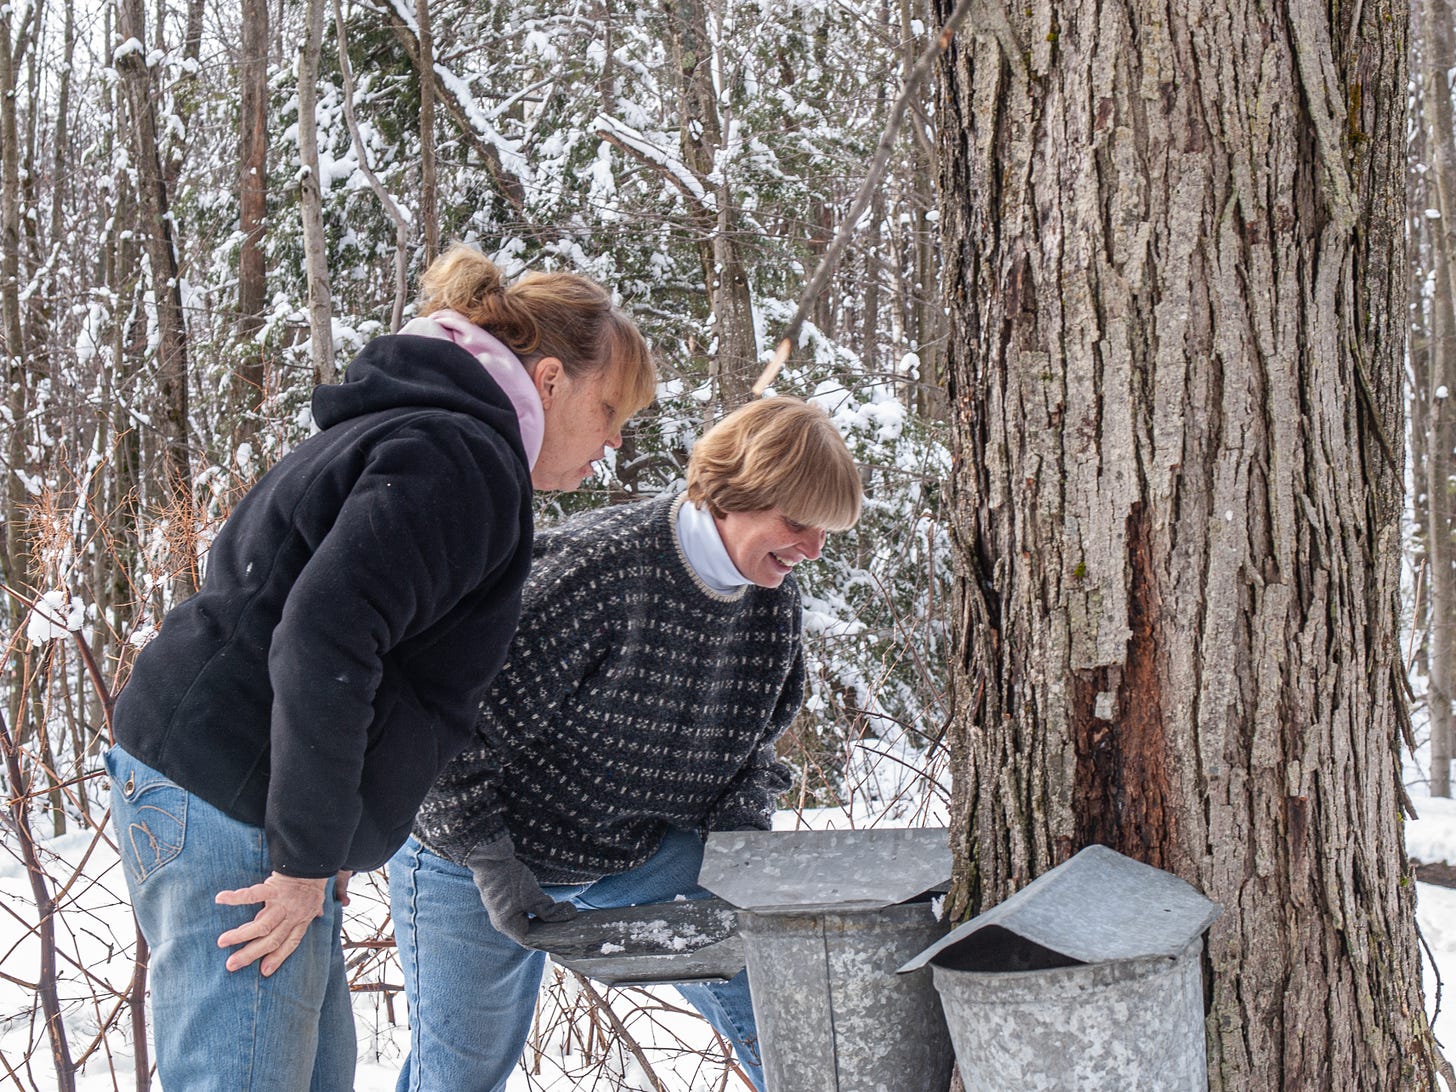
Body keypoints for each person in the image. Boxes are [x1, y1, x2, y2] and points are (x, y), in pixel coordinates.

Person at [104, 243, 655, 1092]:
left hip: (237, 789)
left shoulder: (424, 431)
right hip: (232, 792)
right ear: (549, 381)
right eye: (610, 411)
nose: (611, 445)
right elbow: (323, 639)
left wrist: (318, 841)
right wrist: (302, 855)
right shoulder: (460, 459)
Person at [389, 396, 863, 1092]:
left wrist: (738, 862)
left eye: (825, 531)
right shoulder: (597, 571)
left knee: (782, 1000)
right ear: (734, 494)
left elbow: (751, 752)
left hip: (633, 848)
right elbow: (446, 727)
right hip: (475, 847)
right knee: (461, 1073)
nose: (813, 550)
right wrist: (490, 862)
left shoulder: (771, 605)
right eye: (796, 524)